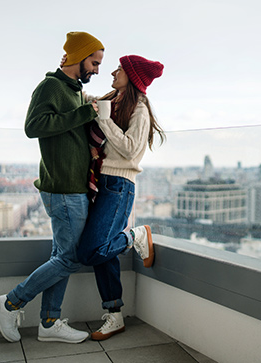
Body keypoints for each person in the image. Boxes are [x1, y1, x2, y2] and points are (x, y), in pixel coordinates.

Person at [0, 31, 104, 344]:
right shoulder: (51, 86)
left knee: (62, 256)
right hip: (63, 190)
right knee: (69, 259)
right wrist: (83, 113)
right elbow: (33, 126)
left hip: (72, 188)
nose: (96, 69)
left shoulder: (75, 90)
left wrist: (91, 105)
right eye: (94, 62)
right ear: (79, 57)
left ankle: (49, 323)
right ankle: (10, 303)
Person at [76, 54, 165, 341]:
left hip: (119, 184)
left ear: (133, 76)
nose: (113, 72)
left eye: (120, 69)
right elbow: (84, 98)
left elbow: (129, 150)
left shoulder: (140, 110)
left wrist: (104, 121)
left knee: (89, 251)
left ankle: (136, 236)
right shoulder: (113, 100)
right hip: (102, 181)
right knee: (104, 253)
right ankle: (114, 315)